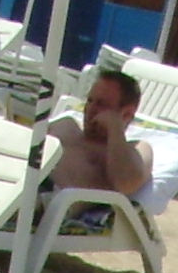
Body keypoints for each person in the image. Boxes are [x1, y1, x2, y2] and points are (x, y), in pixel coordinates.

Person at [44, 67, 152, 201]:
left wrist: (115, 129)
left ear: (126, 114)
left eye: (101, 104)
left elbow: (125, 185)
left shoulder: (136, 149)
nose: (90, 109)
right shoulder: (66, 125)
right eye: (89, 101)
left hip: (53, 202)